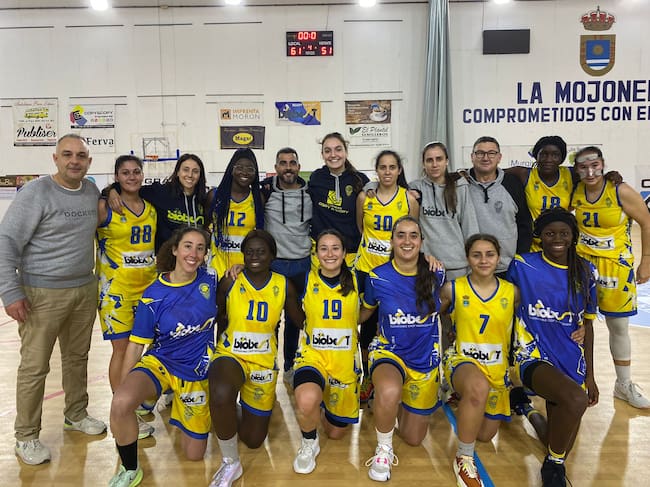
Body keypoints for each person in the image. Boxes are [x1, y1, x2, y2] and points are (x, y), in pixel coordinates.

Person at [0, 134, 106, 466]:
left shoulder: (91, 192)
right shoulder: (35, 193)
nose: (74, 161)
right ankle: (26, 436)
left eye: (81, 156)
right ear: (55, 158)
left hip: (83, 288)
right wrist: (10, 291)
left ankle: (76, 413)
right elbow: (6, 242)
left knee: (77, 358)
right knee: (35, 367)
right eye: (67, 154)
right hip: (40, 294)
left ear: (89, 162)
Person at [108, 227, 216, 487]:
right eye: (188, 246)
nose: (193, 253)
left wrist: (237, 269)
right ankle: (130, 468)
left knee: (194, 455)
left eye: (200, 248)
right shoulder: (153, 295)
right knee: (121, 403)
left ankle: (180, 405)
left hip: (196, 371)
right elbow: (136, 346)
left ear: (205, 254)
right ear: (175, 250)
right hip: (162, 362)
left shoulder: (211, 279)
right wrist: (125, 386)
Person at [507, 208, 599, 487]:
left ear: (573, 236)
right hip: (533, 353)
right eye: (550, 233)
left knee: (556, 440)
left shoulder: (586, 271)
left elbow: (588, 325)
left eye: (564, 233)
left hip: (569, 356)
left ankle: (525, 408)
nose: (557, 239)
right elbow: (502, 305)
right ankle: (552, 469)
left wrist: (591, 376)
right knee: (575, 401)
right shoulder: (522, 265)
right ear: (540, 236)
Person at [208, 230, 304, 487]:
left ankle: (228, 411)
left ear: (272, 256)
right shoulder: (230, 281)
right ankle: (230, 462)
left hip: (263, 361)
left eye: (261, 252)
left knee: (253, 439)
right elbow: (219, 317)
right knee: (220, 392)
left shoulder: (284, 285)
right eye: (249, 252)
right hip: (232, 354)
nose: (254, 256)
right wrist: (215, 354)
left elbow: (301, 321)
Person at [361, 216, 445, 482]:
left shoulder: (437, 273)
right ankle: (383, 449)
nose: (407, 241)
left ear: (421, 241)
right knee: (389, 390)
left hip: (424, 358)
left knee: (413, 438)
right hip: (389, 352)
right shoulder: (377, 277)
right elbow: (364, 313)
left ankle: (388, 405)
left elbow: (451, 305)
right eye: (401, 235)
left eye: (413, 235)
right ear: (392, 240)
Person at [571, 146, 650, 409]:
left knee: (618, 327)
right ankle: (576, 376)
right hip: (583, 266)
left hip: (616, 266)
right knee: (579, 325)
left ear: (603, 164)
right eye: (583, 167)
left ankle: (623, 384)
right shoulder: (575, 190)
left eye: (594, 165)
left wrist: (646, 260)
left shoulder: (620, 190)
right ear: (576, 169)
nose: (590, 172)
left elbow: (647, 222)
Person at [439, 234, 518, 487]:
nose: (483, 260)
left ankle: (462, 398)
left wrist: (580, 328)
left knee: (484, 434)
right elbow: (428, 316)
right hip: (461, 360)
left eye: (489, 254)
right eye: (476, 255)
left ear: (498, 258)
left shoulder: (512, 292)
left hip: (496, 367)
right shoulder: (453, 288)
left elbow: (532, 322)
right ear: (467, 258)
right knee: (476, 388)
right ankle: (464, 459)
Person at [96, 154, 157, 439]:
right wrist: (107, 193)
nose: (131, 177)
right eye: (125, 172)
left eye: (136, 172)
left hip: (147, 289)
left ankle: (133, 399)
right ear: (116, 177)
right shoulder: (106, 207)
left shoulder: (151, 208)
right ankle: (121, 411)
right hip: (115, 291)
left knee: (139, 349)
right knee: (121, 351)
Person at [292, 229, 360, 474]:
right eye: (323, 248)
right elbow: (267, 276)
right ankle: (309, 442)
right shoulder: (303, 279)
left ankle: (319, 405)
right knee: (306, 400)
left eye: (335, 248)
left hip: (343, 363)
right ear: (316, 253)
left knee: (335, 433)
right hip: (314, 357)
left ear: (344, 252)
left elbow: (370, 308)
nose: (329, 254)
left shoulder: (359, 279)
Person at [355, 150, 419, 402]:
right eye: (383, 167)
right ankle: (367, 376)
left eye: (392, 167)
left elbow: (412, 234)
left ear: (399, 170)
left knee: (396, 323)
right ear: (377, 171)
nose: (388, 171)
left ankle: (398, 373)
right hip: (367, 269)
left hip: (397, 273)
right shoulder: (365, 197)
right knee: (367, 326)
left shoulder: (409, 199)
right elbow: (361, 227)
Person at [261, 147, 313, 386]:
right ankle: (268, 363)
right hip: (275, 264)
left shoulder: (311, 193)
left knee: (295, 319)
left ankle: (290, 365)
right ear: (276, 167)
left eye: (292, 163)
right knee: (272, 318)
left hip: (302, 263)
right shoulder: (265, 192)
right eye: (283, 163)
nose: (288, 167)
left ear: (298, 167)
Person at [107, 153, 208, 253]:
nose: (190, 175)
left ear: (200, 175)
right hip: (166, 259)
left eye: (195, 171)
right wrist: (112, 190)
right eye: (185, 170)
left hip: (194, 258)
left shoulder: (204, 200)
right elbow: (131, 188)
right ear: (177, 172)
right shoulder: (161, 192)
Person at [462, 136, 532, 276]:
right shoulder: (460, 184)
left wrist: (519, 259)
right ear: (472, 157)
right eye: (480, 153)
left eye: (491, 153)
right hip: (469, 268)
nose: (485, 158)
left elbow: (524, 224)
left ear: (499, 157)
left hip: (507, 267)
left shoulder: (512, 184)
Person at [410, 141, 480, 279]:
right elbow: (388, 188)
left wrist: (475, 259)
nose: (434, 164)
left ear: (446, 161)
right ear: (423, 164)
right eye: (429, 160)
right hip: (427, 265)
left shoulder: (460, 187)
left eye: (439, 159)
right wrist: (370, 186)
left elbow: (470, 226)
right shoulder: (415, 188)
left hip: (457, 265)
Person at [308, 132, 369, 267]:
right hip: (322, 252)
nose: (333, 155)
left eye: (338, 149)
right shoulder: (316, 178)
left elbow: (381, 193)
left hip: (351, 252)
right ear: (322, 155)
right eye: (327, 151)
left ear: (346, 152)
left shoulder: (360, 180)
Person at [208, 148, 264, 279]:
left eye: (250, 169)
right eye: (240, 167)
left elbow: (260, 233)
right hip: (217, 269)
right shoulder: (214, 196)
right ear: (231, 169)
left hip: (245, 269)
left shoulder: (258, 199)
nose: (244, 172)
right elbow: (205, 226)